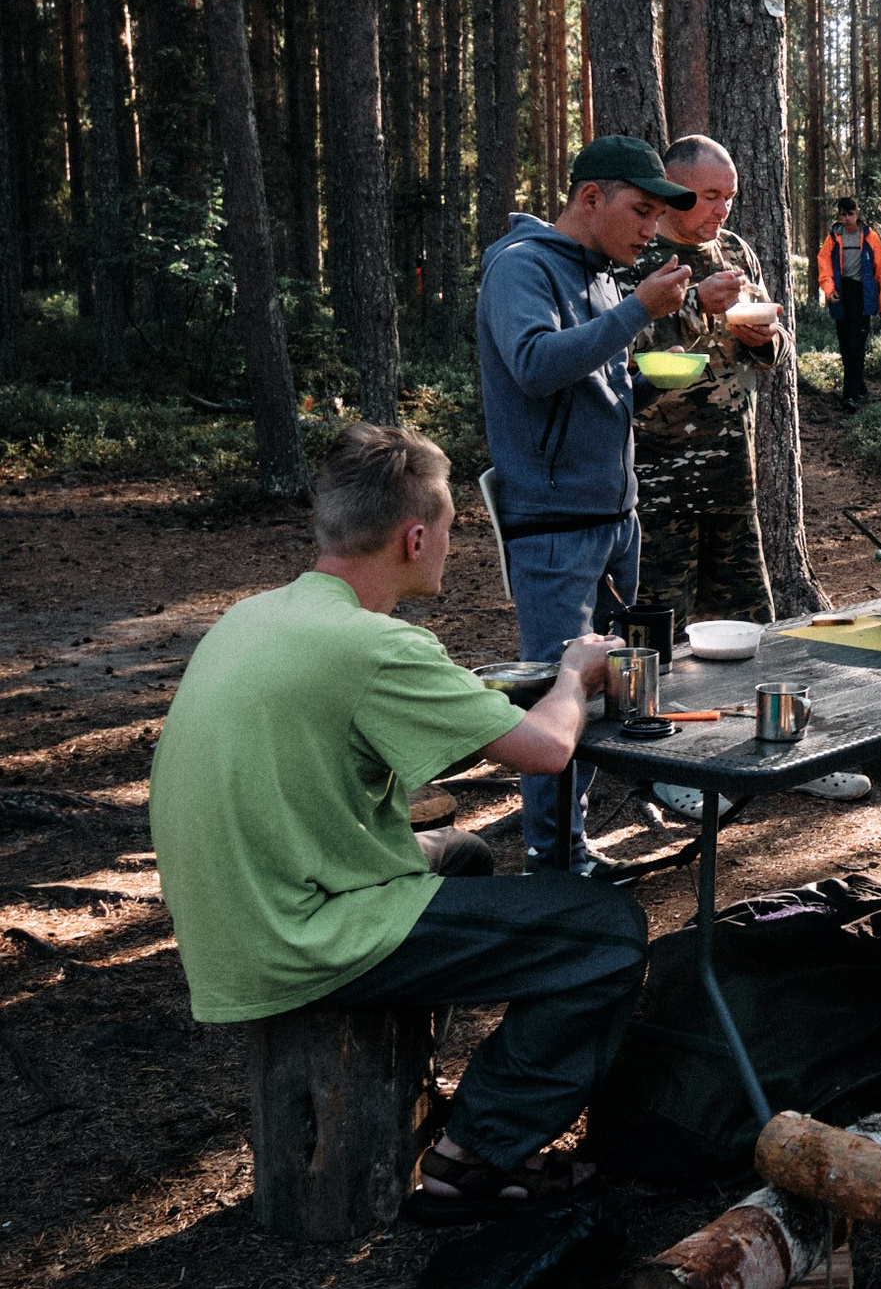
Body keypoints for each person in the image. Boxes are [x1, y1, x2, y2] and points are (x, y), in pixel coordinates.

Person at [148, 425, 645, 1224]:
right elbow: (549, 751)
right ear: (416, 537)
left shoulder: (256, 615)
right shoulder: (377, 646)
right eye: (450, 531)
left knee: (467, 855)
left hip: (232, 910)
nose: (451, 548)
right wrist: (574, 676)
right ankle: (477, 1157)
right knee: (607, 930)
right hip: (294, 937)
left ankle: (429, 1090)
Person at [478, 134, 699, 868]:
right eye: (640, 211)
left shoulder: (604, 277)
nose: (649, 230)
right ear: (589, 197)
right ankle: (552, 858)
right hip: (553, 527)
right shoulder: (520, 270)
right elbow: (536, 366)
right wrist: (638, 311)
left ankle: (571, 842)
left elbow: (593, 387)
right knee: (556, 690)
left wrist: (651, 383)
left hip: (614, 522)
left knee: (606, 694)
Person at [617, 135, 781, 636]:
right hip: (658, 489)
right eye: (711, 196)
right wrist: (695, 308)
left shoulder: (734, 251)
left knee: (750, 635)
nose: (723, 209)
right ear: (673, 189)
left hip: (732, 480)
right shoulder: (636, 255)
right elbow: (618, 347)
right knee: (657, 642)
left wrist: (765, 339)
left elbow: (777, 343)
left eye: (729, 196)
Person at [817, 196, 881, 408]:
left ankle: (849, 396)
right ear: (839, 216)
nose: (847, 218)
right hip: (842, 296)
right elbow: (825, 268)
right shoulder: (833, 238)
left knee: (857, 346)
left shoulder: (870, 238)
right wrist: (830, 291)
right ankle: (858, 388)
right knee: (845, 346)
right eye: (843, 214)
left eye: (850, 214)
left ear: (857, 213)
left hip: (863, 296)